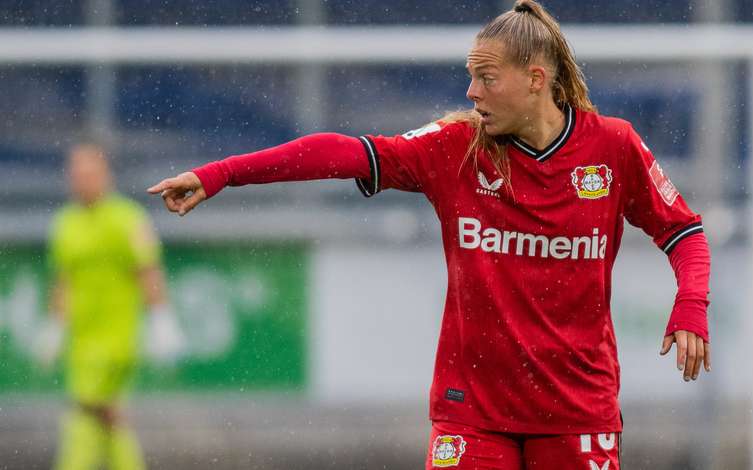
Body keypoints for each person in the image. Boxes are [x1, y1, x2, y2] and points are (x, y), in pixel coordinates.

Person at [148, 1, 711, 468]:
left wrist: (690, 304)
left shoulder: (611, 149)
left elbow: (683, 231)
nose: (471, 92)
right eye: (470, 77)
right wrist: (222, 174)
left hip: (576, 412)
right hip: (472, 415)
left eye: (486, 78)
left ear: (537, 80)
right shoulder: (455, 148)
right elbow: (341, 152)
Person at [41, 142, 183, 470]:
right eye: (76, 174)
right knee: (107, 418)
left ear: (106, 175)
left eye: (89, 173)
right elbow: (63, 280)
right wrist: (54, 327)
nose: (82, 180)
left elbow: (148, 272)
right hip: (81, 342)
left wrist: (161, 321)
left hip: (118, 340)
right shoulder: (65, 223)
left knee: (84, 413)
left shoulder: (126, 219)